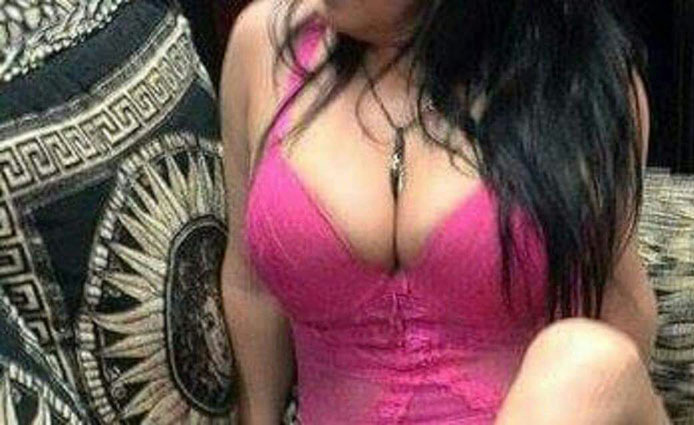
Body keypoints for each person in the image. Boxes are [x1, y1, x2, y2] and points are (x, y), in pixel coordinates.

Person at [220, 0, 666, 423]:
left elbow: (618, 305)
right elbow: (251, 287)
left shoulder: (578, 76)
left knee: (586, 361)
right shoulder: (267, 44)